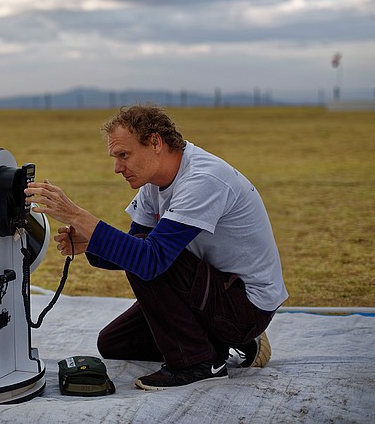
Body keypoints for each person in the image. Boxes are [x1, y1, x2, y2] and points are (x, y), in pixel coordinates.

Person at [25, 105, 288, 390]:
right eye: (115, 157)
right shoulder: (153, 183)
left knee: (146, 258)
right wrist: (92, 243)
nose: (117, 168)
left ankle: (199, 362)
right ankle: (227, 343)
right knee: (114, 343)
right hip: (216, 290)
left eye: (124, 155)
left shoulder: (203, 179)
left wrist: (78, 216)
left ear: (155, 142)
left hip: (245, 306)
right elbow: (136, 248)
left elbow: (149, 261)